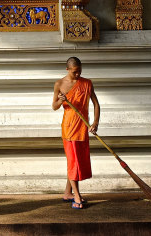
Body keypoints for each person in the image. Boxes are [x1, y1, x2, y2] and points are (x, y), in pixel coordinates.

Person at [52, 57, 100, 209]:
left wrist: (95, 123)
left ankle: (68, 193)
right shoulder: (59, 84)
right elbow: (54, 106)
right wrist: (61, 100)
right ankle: (77, 196)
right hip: (69, 128)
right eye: (75, 72)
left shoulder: (87, 83)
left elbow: (96, 104)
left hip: (82, 127)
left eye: (80, 71)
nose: (78, 74)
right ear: (67, 70)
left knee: (76, 161)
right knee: (73, 162)